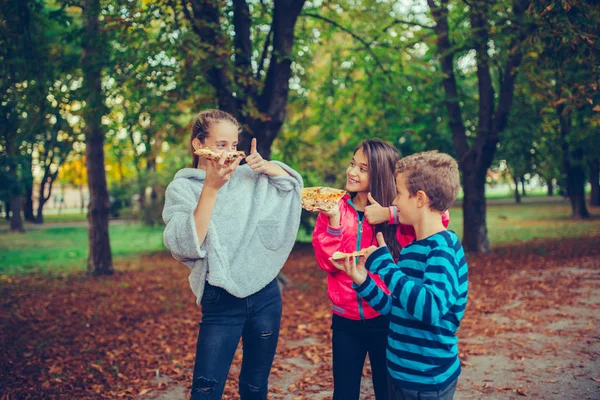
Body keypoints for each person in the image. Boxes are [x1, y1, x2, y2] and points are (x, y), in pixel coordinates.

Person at [162, 109, 303, 400]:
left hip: (265, 294)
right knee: (205, 389)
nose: (229, 153)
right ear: (198, 145)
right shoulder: (182, 188)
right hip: (221, 300)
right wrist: (211, 189)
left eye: (233, 145)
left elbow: (291, 186)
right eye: (221, 145)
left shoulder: (247, 177)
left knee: (255, 386)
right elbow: (187, 245)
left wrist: (265, 166)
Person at [310, 140, 449, 400]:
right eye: (353, 164)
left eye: (363, 169)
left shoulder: (401, 212)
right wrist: (333, 223)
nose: (352, 172)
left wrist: (388, 214)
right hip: (345, 319)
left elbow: (440, 217)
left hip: (386, 315)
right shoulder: (335, 207)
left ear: (381, 174)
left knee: (386, 391)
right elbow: (326, 262)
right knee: (344, 391)